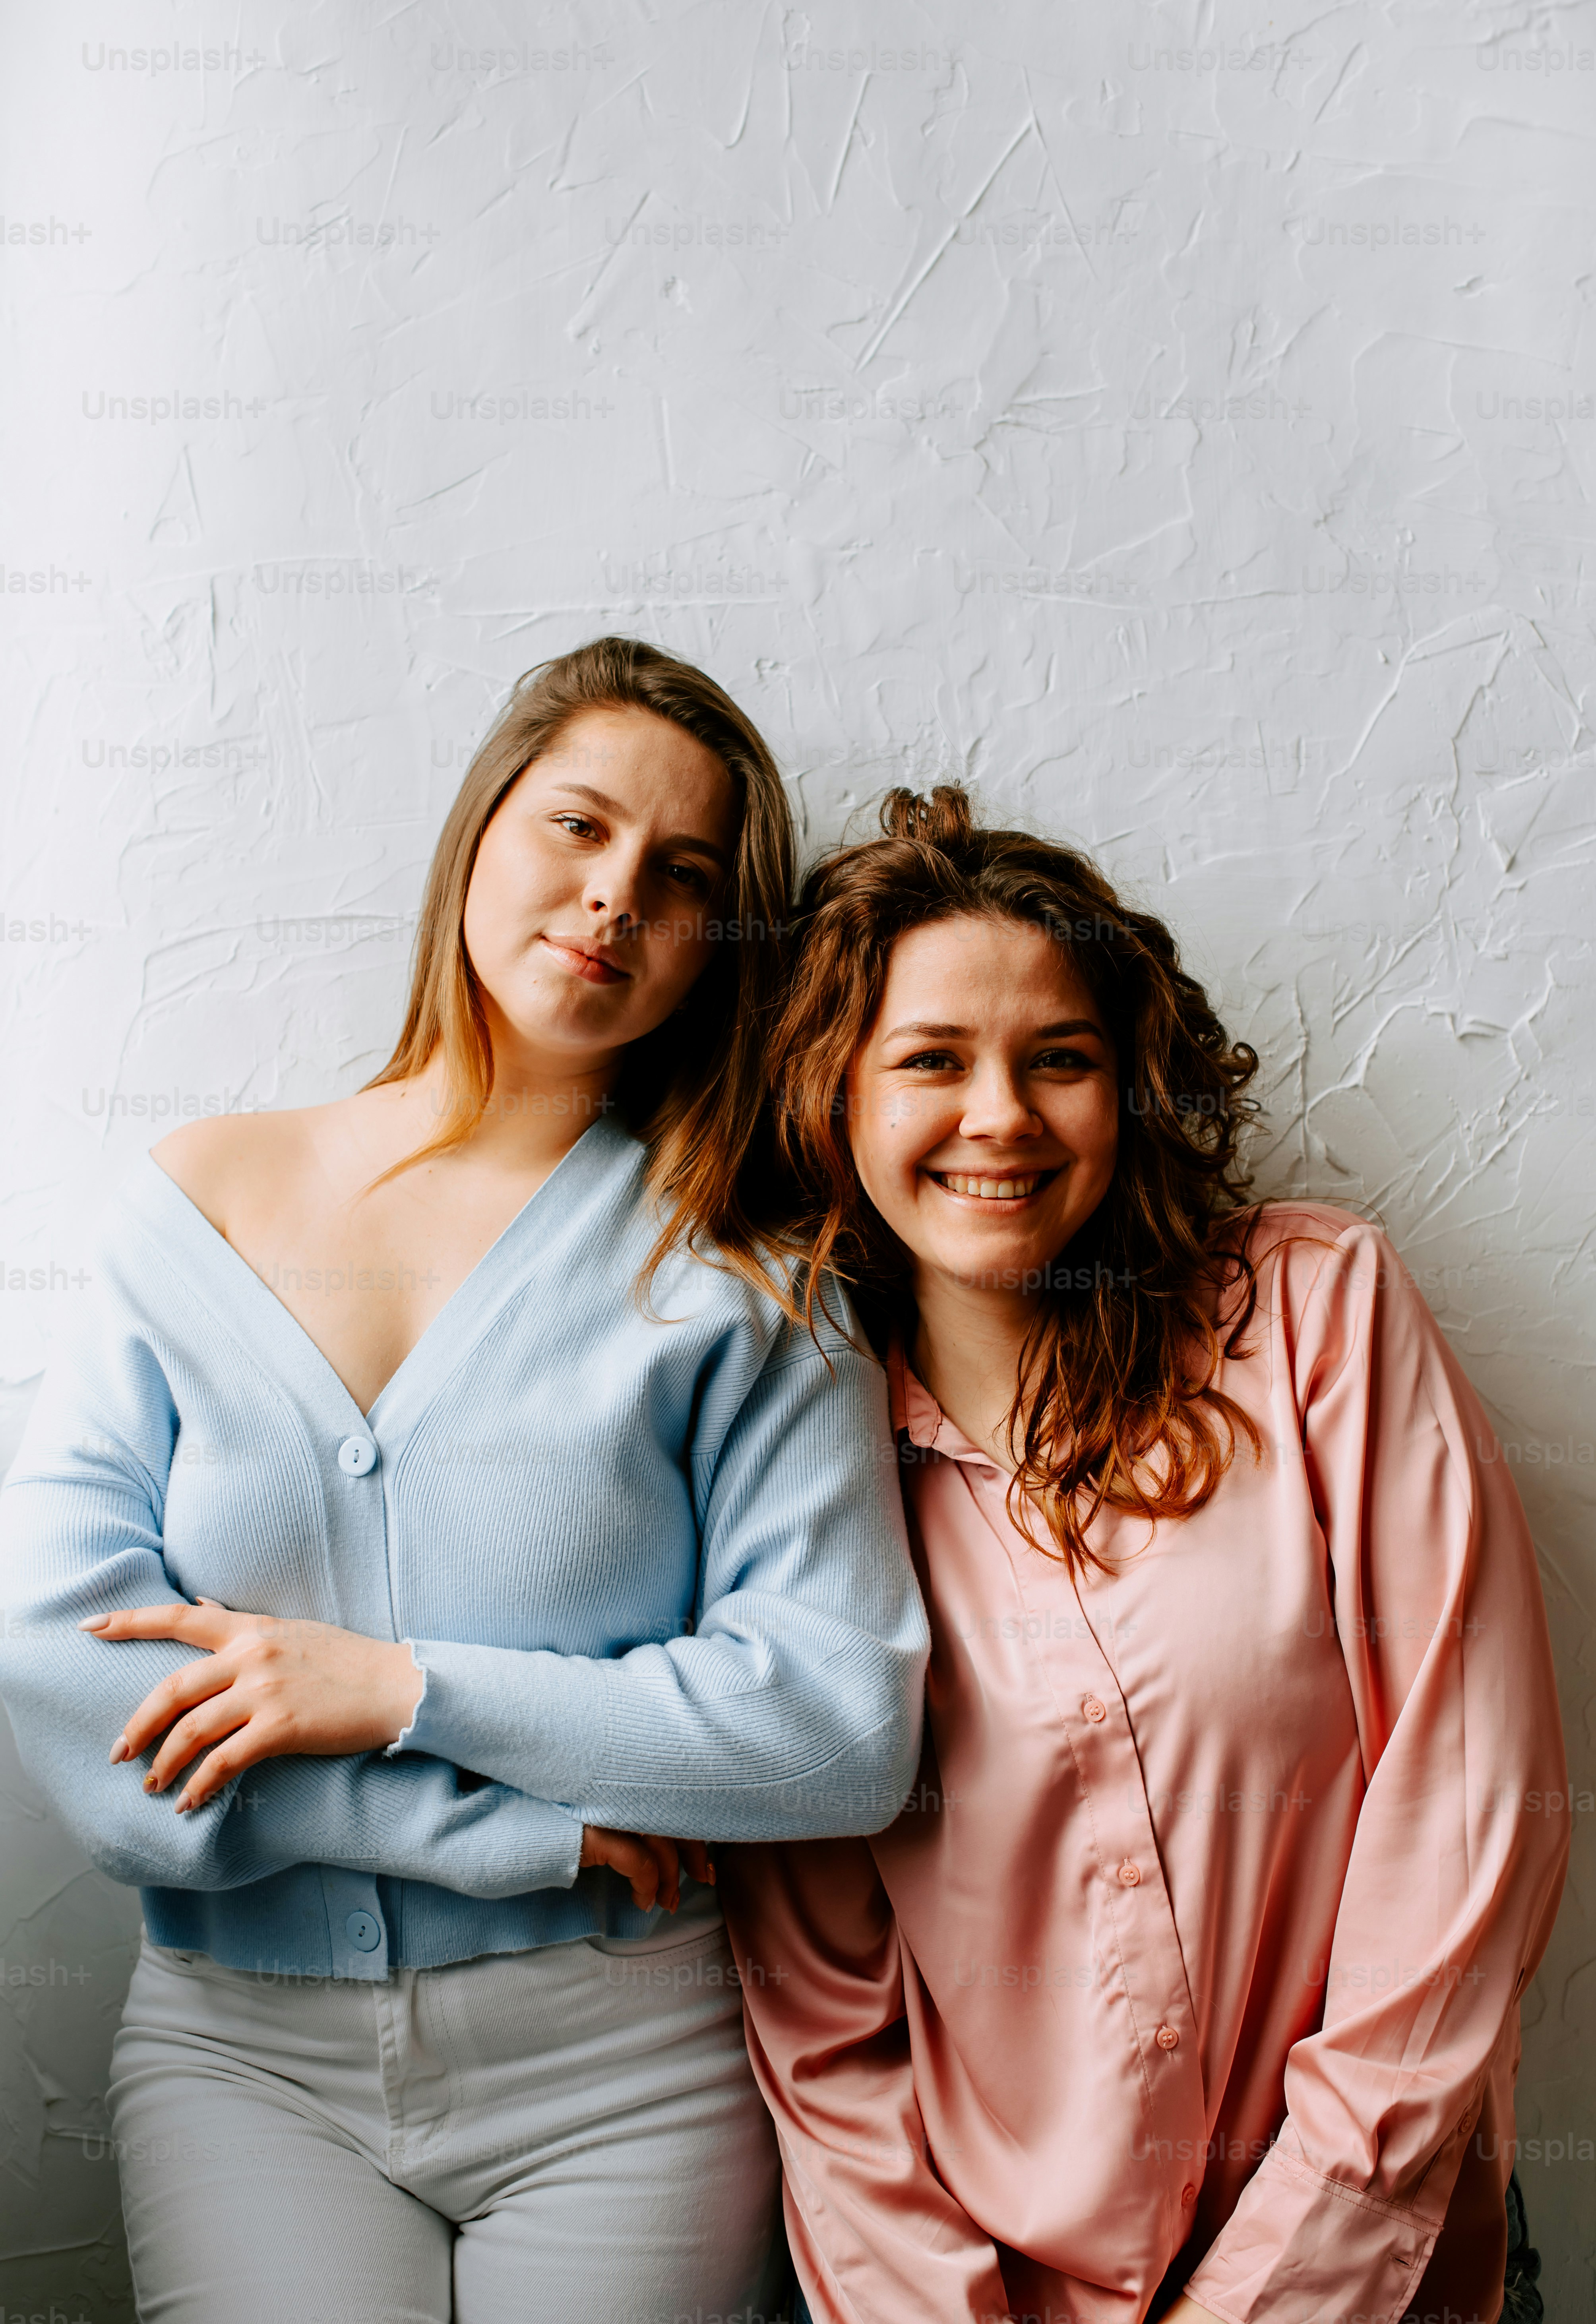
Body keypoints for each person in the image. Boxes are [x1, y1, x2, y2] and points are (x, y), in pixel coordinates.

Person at [0, 639, 929, 2324]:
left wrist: (395, 1688)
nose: (611, 897)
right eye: (576, 826)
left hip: (628, 2065)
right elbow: (71, 1683)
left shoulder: (750, 1274)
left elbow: (833, 1723)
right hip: (239, 2060)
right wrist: (501, 1829)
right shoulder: (196, 1201)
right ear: (479, 827)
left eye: (681, 874)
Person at [718, 785, 1569, 2324]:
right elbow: (825, 2031)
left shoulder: (1314, 1318)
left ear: (1131, 1089)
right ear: (832, 1098)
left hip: (1367, 2281)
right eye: (928, 1060)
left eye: (1060, 1059)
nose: (999, 1116)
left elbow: (1466, 1809)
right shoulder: (783, 1476)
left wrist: (1281, 2290)